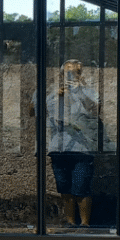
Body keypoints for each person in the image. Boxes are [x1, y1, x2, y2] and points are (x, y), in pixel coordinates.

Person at [35, 59, 101, 227]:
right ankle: (71, 223)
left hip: (82, 148)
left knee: (82, 187)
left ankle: (85, 224)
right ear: (61, 75)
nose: (70, 76)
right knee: (64, 188)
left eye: (75, 73)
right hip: (59, 147)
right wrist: (57, 96)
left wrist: (79, 90)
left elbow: (95, 109)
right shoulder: (53, 93)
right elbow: (33, 110)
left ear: (80, 75)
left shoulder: (88, 92)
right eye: (67, 73)